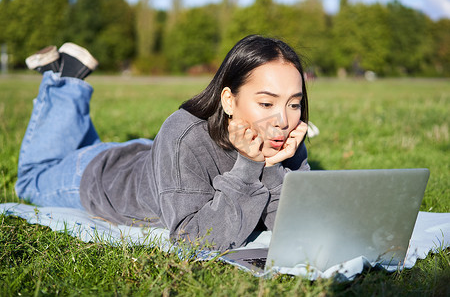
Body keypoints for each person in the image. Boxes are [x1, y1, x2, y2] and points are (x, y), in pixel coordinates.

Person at [15, 35, 310, 250]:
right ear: (229, 100)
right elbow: (195, 239)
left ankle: (67, 80)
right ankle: (65, 80)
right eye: (267, 103)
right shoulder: (185, 134)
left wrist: (274, 165)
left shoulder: (282, 137)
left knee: (74, 151)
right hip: (101, 177)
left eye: (294, 104)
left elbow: (291, 224)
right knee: (30, 180)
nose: (283, 120)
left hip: (152, 161)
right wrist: (249, 166)